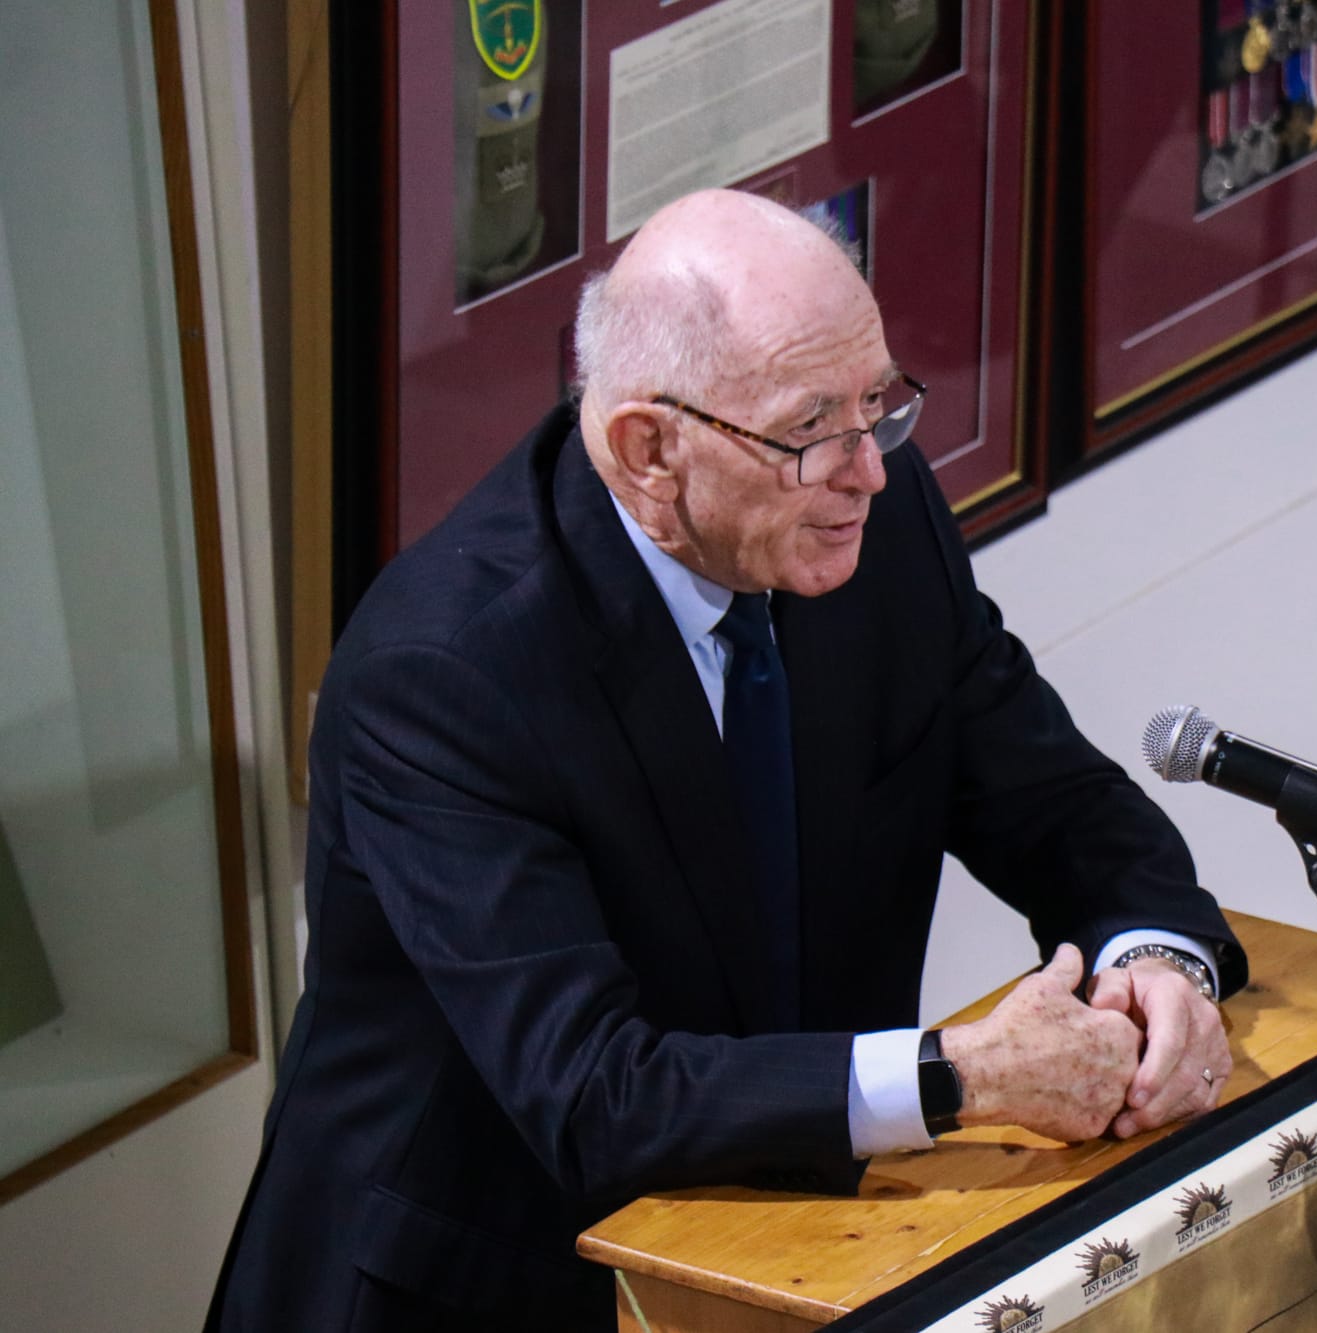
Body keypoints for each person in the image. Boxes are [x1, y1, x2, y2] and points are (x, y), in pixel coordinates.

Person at [205, 190, 1246, 1332]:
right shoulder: (446, 674)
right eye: (815, 428)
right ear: (648, 450)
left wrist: (1159, 958)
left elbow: (1057, 805)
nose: (872, 471)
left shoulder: (870, 527)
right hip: (487, 1281)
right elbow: (594, 1092)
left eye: (880, 404)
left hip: (778, 1246)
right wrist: (959, 1074)